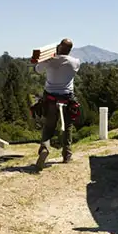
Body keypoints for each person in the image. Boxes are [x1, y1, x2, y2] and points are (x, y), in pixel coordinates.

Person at [33, 38, 81, 170]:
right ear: (70, 50)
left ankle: (44, 148)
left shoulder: (49, 61)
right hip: (67, 97)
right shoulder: (75, 62)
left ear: (58, 47)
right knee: (68, 125)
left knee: (49, 126)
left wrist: (48, 58)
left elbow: (37, 69)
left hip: (50, 98)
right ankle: (67, 155)